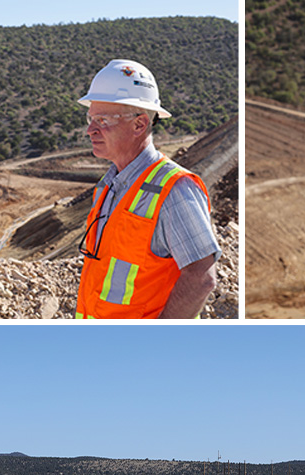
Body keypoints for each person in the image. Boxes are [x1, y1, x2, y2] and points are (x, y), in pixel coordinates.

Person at [75, 59, 220, 319]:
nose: (90, 130)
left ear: (140, 125)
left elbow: (201, 278)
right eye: (91, 118)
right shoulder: (108, 186)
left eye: (103, 120)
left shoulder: (175, 189)